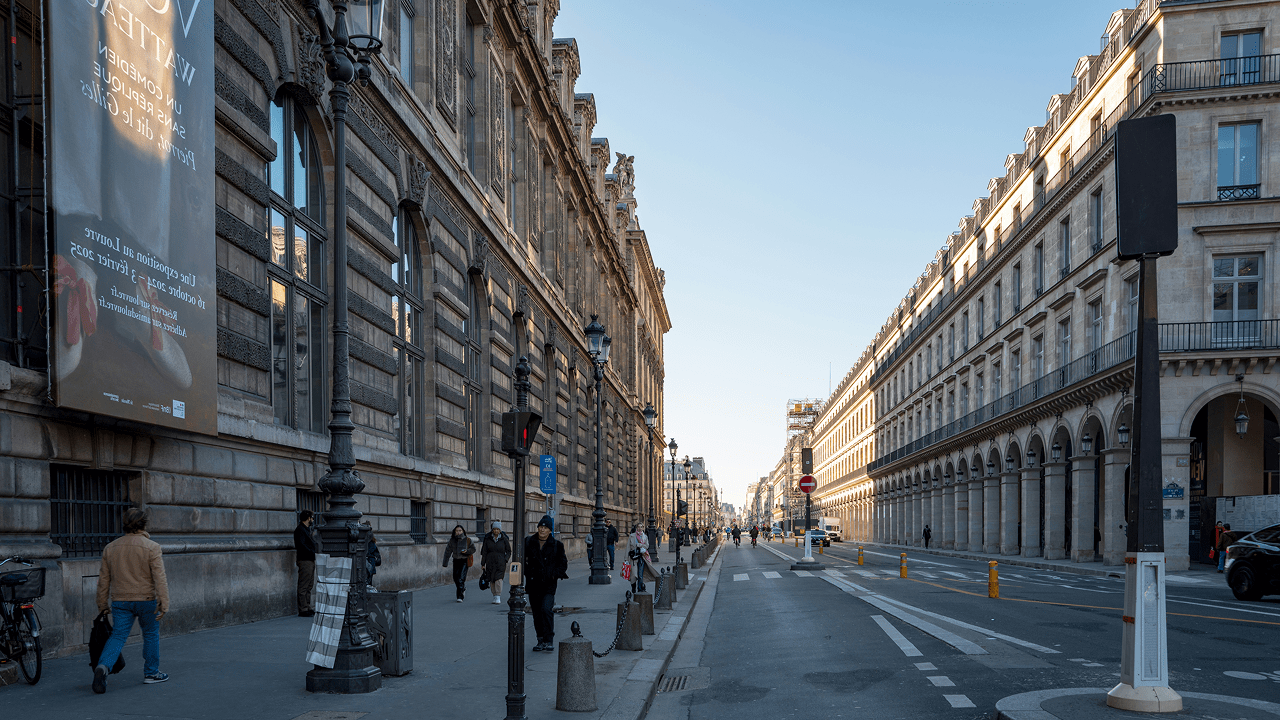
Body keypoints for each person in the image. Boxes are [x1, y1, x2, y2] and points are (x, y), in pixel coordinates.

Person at [93, 507, 170, 693]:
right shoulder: (152, 547)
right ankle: (151, 673)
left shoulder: (110, 548)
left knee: (118, 635)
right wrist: (164, 602)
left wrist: (102, 603)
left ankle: (103, 666)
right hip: (147, 599)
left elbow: (104, 579)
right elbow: (160, 577)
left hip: (120, 600)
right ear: (143, 524)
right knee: (150, 634)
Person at [526, 515, 568, 652]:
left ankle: (549, 639)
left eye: (545, 528)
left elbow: (563, 564)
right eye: (540, 527)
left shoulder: (557, 545)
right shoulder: (528, 542)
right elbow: (521, 560)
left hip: (549, 584)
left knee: (546, 609)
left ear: (550, 530)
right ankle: (540, 640)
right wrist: (527, 573)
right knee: (537, 613)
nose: (542, 530)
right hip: (533, 584)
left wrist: (554, 574)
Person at [294, 510, 318, 617]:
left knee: (309, 585)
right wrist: (312, 552)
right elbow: (302, 546)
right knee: (303, 586)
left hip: (310, 559)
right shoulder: (300, 530)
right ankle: (303, 609)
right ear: (308, 518)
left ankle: (307, 606)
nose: (313, 520)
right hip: (305, 560)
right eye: (312, 518)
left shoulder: (306, 530)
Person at [481, 520, 511, 604]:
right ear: (492, 530)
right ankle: (494, 595)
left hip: (500, 562)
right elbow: (484, 551)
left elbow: (509, 551)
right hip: (490, 561)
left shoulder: (504, 539)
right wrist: (483, 563)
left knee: (498, 578)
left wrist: (505, 559)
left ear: (500, 530)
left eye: (498, 529)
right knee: (491, 579)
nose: (496, 531)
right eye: (494, 529)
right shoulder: (488, 538)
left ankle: (498, 595)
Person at [442, 524, 475, 602]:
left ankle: (460, 596)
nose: (458, 532)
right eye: (457, 531)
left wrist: (467, 551)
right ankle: (462, 589)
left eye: (460, 530)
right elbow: (447, 551)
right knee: (455, 578)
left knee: (461, 579)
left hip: (464, 561)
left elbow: (473, 549)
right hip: (456, 561)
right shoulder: (452, 540)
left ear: (463, 531)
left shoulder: (467, 540)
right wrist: (445, 563)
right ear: (454, 531)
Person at [628, 523, 652, 594]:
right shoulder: (632, 536)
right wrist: (626, 559)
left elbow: (647, 545)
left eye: (641, 527)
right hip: (634, 557)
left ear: (643, 528)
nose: (640, 528)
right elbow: (628, 548)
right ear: (636, 528)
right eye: (638, 527)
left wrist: (640, 545)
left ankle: (640, 589)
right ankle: (633, 586)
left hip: (642, 557)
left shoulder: (645, 536)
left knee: (640, 575)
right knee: (634, 574)